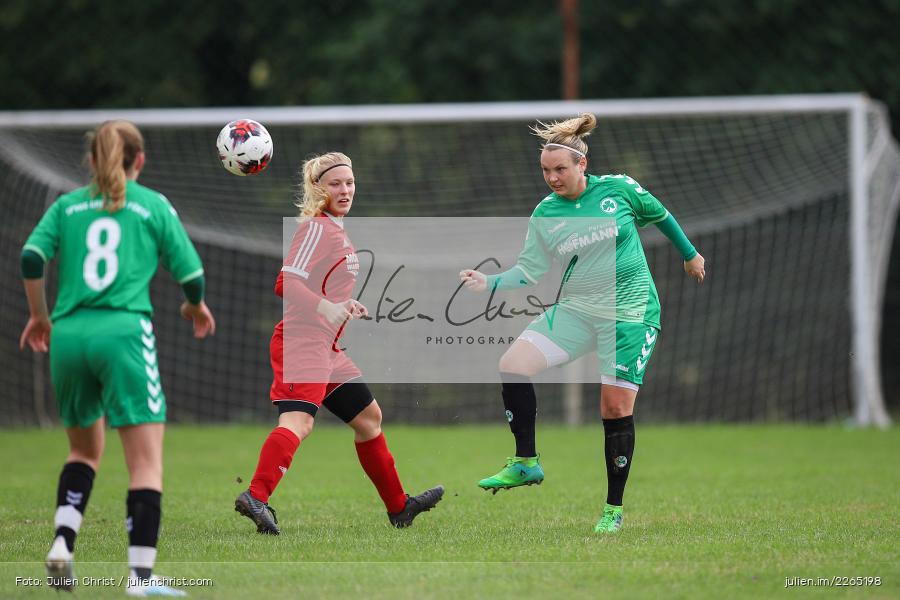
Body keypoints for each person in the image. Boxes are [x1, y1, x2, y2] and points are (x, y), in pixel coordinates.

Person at [459, 113, 705, 533]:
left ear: (582, 165)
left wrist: (690, 254)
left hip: (630, 313)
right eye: (545, 171)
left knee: (614, 408)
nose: (552, 178)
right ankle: (526, 462)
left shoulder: (619, 189)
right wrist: (490, 282)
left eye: (560, 169)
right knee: (513, 364)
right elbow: (530, 271)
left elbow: (661, 215)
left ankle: (613, 510)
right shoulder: (545, 213)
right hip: (578, 310)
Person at [19, 120, 216, 596]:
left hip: (68, 335)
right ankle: (140, 579)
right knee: (145, 463)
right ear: (139, 160)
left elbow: (31, 257)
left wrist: (40, 316)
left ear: (91, 160)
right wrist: (194, 305)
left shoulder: (67, 205)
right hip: (123, 333)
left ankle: (63, 543)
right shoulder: (151, 205)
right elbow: (192, 274)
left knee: (83, 451)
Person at [234, 152, 443, 535]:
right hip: (302, 343)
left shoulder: (335, 228)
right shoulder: (317, 227)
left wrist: (342, 305)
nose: (345, 190)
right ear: (318, 188)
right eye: (335, 184)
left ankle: (399, 507)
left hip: (327, 347)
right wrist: (326, 306)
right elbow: (285, 283)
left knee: (369, 419)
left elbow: (321, 287)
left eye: (349, 182)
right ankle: (255, 496)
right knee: (298, 422)